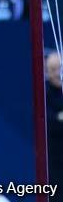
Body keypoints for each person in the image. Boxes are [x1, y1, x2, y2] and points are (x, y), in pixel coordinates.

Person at [45, 51, 63, 188]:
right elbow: (49, 120)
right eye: (53, 69)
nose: (57, 73)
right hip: (54, 157)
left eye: (59, 69)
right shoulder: (44, 93)